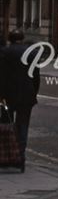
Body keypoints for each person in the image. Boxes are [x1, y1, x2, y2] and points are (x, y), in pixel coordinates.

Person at [0, 29, 40, 168]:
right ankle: (21, 157)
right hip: (26, 95)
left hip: (7, 96)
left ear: (9, 39)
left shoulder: (4, 52)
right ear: (22, 39)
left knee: (7, 125)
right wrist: (34, 93)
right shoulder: (32, 53)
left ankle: (7, 156)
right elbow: (36, 77)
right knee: (23, 126)